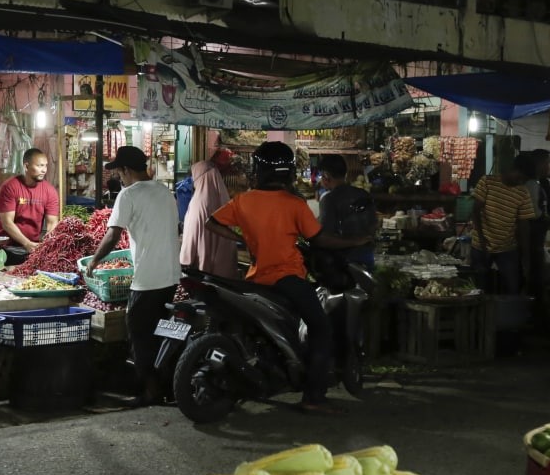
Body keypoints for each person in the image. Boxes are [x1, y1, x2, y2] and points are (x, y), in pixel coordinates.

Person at [205, 141, 370, 415]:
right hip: (288, 279)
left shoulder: (243, 201)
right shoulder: (294, 204)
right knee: (321, 329)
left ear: (258, 170)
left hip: (255, 279)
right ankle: (314, 396)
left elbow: (211, 222)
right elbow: (320, 239)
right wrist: (356, 239)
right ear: (288, 172)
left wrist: (243, 240)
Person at [86, 147, 181, 407]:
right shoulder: (165, 192)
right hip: (172, 277)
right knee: (163, 333)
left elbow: (113, 235)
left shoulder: (128, 195)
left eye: (119, 171)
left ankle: (151, 391)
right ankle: (169, 385)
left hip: (147, 280)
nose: (120, 176)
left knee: (140, 337)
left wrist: (94, 260)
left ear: (126, 170)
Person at [470, 154, 537, 294]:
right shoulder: (487, 182)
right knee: (478, 289)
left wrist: (526, 258)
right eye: (520, 177)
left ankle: (505, 314)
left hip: (507, 248)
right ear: (513, 169)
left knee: (513, 287)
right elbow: (475, 211)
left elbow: (524, 225)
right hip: (481, 245)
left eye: (524, 180)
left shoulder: (523, 192)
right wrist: (482, 240)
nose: (521, 182)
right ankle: (479, 315)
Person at [180, 147, 239, 280]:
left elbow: (191, 234)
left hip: (203, 270)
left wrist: (185, 258)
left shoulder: (198, 203)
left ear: (200, 177)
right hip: (224, 271)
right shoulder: (225, 200)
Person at [0, 148, 59, 256]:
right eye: (39, 166)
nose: (44, 170)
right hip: (7, 248)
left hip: (32, 247)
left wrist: (47, 243)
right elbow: (7, 223)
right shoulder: (9, 187)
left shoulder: (50, 191)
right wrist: (26, 243)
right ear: (26, 166)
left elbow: (52, 222)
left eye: (45, 165)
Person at [316, 154, 376, 269]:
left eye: (321, 175)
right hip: (368, 257)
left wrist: (354, 241)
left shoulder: (329, 199)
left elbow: (325, 238)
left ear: (326, 176)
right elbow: (373, 224)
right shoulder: (363, 194)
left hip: (344, 263)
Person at [523, 148, 550, 296]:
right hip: (531, 240)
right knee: (541, 277)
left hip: (535, 241)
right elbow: (534, 215)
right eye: (549, 162)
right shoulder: (531, 185)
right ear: (539, 164)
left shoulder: (538, 184)